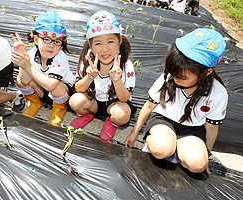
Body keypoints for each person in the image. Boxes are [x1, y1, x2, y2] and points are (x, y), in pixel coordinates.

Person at [125, 28, 228, 173]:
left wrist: (206, 154)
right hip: (164, 120)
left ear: (207, 72)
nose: (175, 78)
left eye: (182, 77)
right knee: (161, 149)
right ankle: (164, 146)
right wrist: (134, 133)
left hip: (192, 129)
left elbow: (211, 127)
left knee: (197, 165)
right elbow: (149, 106)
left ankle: (178, 148)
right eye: (174, 73)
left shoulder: (218, 93)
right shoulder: (168, 77)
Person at [69, 11, 136, 140]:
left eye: (110, 42)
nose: (104, 49)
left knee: (122, 114)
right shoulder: (87, 59)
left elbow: (124, 97)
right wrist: (89, 77)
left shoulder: (125, 65)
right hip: (93, 102)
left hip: (115, 103)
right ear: (90, 44)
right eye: (98, 43)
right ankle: (87, 115)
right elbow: (78, 89)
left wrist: (117, 81)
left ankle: (112, 122)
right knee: (75, 101)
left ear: (119, 40)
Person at [11, 11, 75, 125]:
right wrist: (24, 58)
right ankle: (34, 102)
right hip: (42, 91)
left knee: (56, 88)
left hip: (62, 94)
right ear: (36, 39)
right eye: (46, 39)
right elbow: (24, 81)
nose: (51, 45)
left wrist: (28, 66)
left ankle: (59, 109)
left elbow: (51, 85)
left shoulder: (61, 57)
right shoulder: (32, 53)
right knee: (19, 81)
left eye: (57, 41)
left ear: (62, 43)